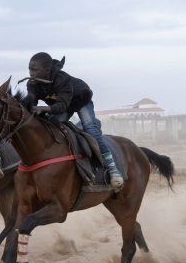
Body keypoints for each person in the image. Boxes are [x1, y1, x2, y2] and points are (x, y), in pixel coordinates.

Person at [24, 52, 124, 188]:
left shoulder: (62, 79)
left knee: (90, 129)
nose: (31, 73)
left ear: (47, 70)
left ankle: (113, 169)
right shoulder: (32, 84)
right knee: (51, 125)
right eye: (30, 69)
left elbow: (62, 106)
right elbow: (31, 104)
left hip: (81, 100)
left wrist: (44, 108)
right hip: (62, 104)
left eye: (35, 70)